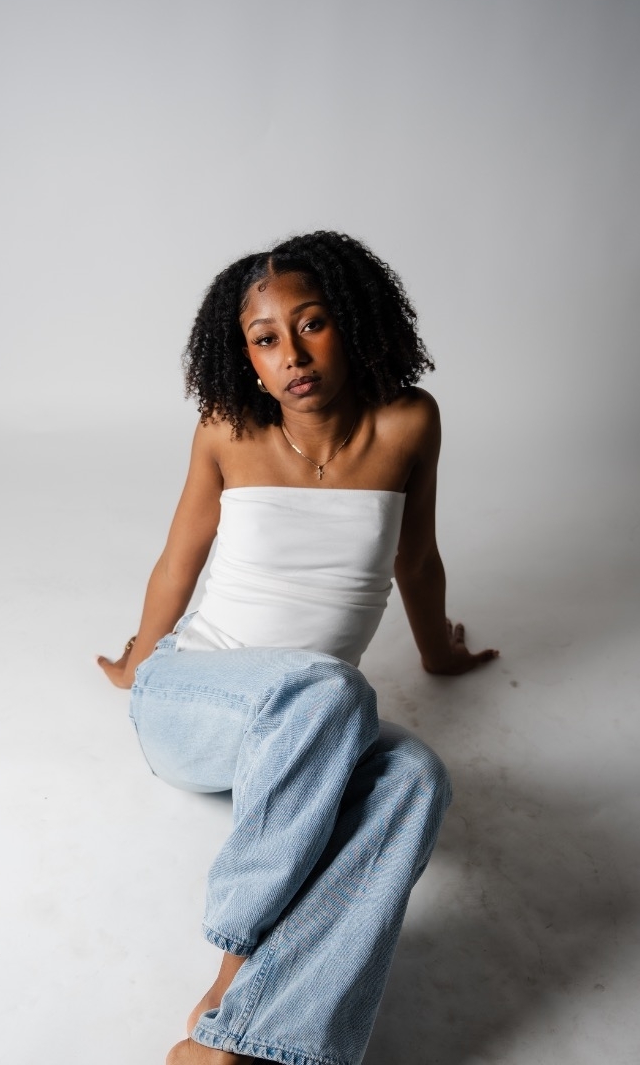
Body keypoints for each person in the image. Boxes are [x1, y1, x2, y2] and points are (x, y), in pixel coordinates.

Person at [98, 231, 498, 1065]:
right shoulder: (226, 431)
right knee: (329, 687)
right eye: (266, 338)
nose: (292, 354)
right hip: (197, 698)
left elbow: (415, 559)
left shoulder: (407, 422)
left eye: (311, 324)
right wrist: (139, 668)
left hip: (310, 727)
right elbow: (178, 562)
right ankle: (230, 978)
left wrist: (438, 654)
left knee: (417, 778)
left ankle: (247, 1044)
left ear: (352, 323)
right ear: (245, 357)